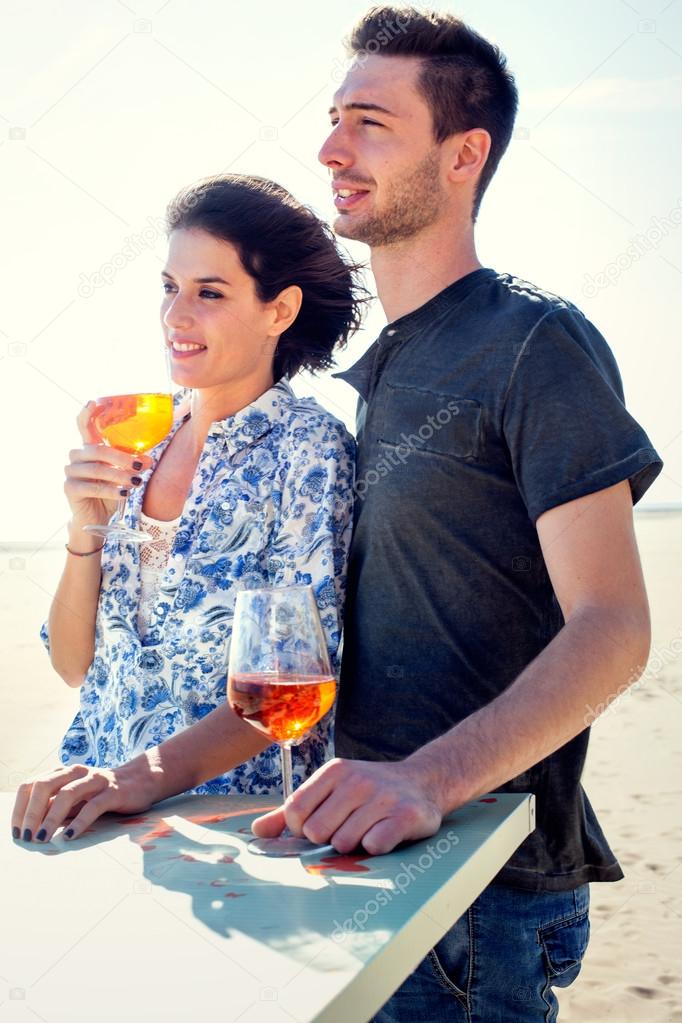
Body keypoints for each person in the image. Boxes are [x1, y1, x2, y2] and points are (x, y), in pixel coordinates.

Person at [247, 7, 663, 1021]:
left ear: (462, 154)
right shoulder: (386, 369)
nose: (329, 148)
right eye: (333, 117)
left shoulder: (532, 342)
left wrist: (427, 780)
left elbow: (613, 627)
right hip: (367, 865)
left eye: (369, 123)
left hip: (477, 895)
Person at [11, 173, 362, 843]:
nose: (176, 317)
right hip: (101, 821)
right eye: (170, 288)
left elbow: (294, 690)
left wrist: (136, 779)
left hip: (233, 833)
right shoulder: (139, 434)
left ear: (279, 310)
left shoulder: (308, 450)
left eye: (210, 293)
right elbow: (74, 665)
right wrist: (86, 526)